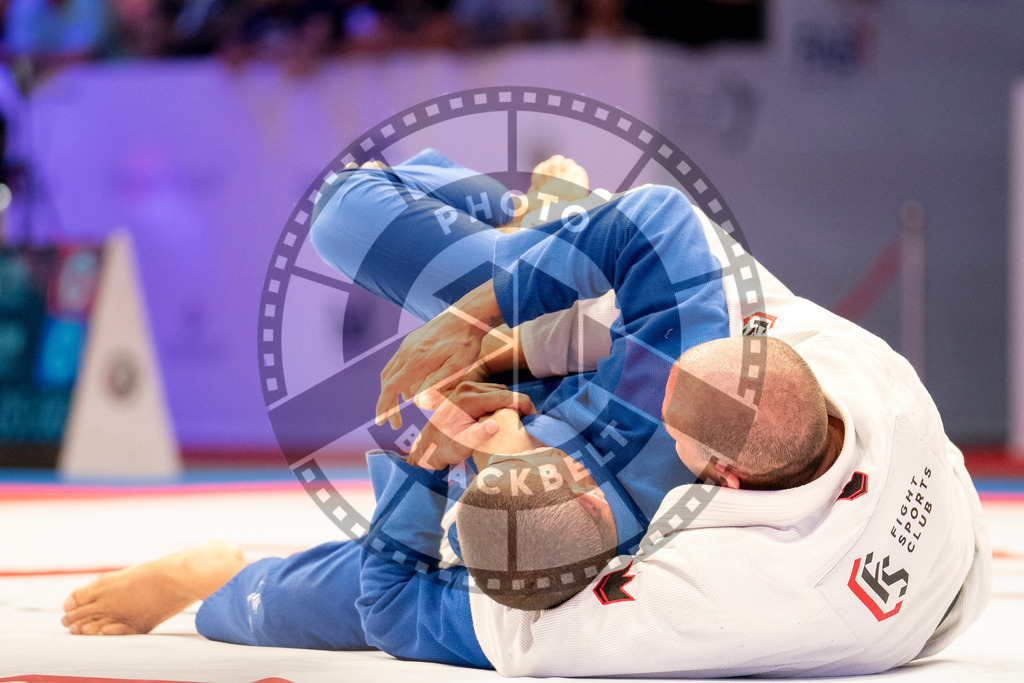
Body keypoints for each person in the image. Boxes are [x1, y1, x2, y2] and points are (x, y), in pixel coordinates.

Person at [61, 150, 990, 677]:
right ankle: (532, 228)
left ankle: (225, 584)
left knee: (361, 593)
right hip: (678, 422)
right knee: (352, 216)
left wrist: (455, 462)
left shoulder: (719, 595)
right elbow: (662, 234)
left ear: (722, 477)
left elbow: (416, 610)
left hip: (693, 539)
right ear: (772, 348)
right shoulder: (846, 368)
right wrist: (494, 320)